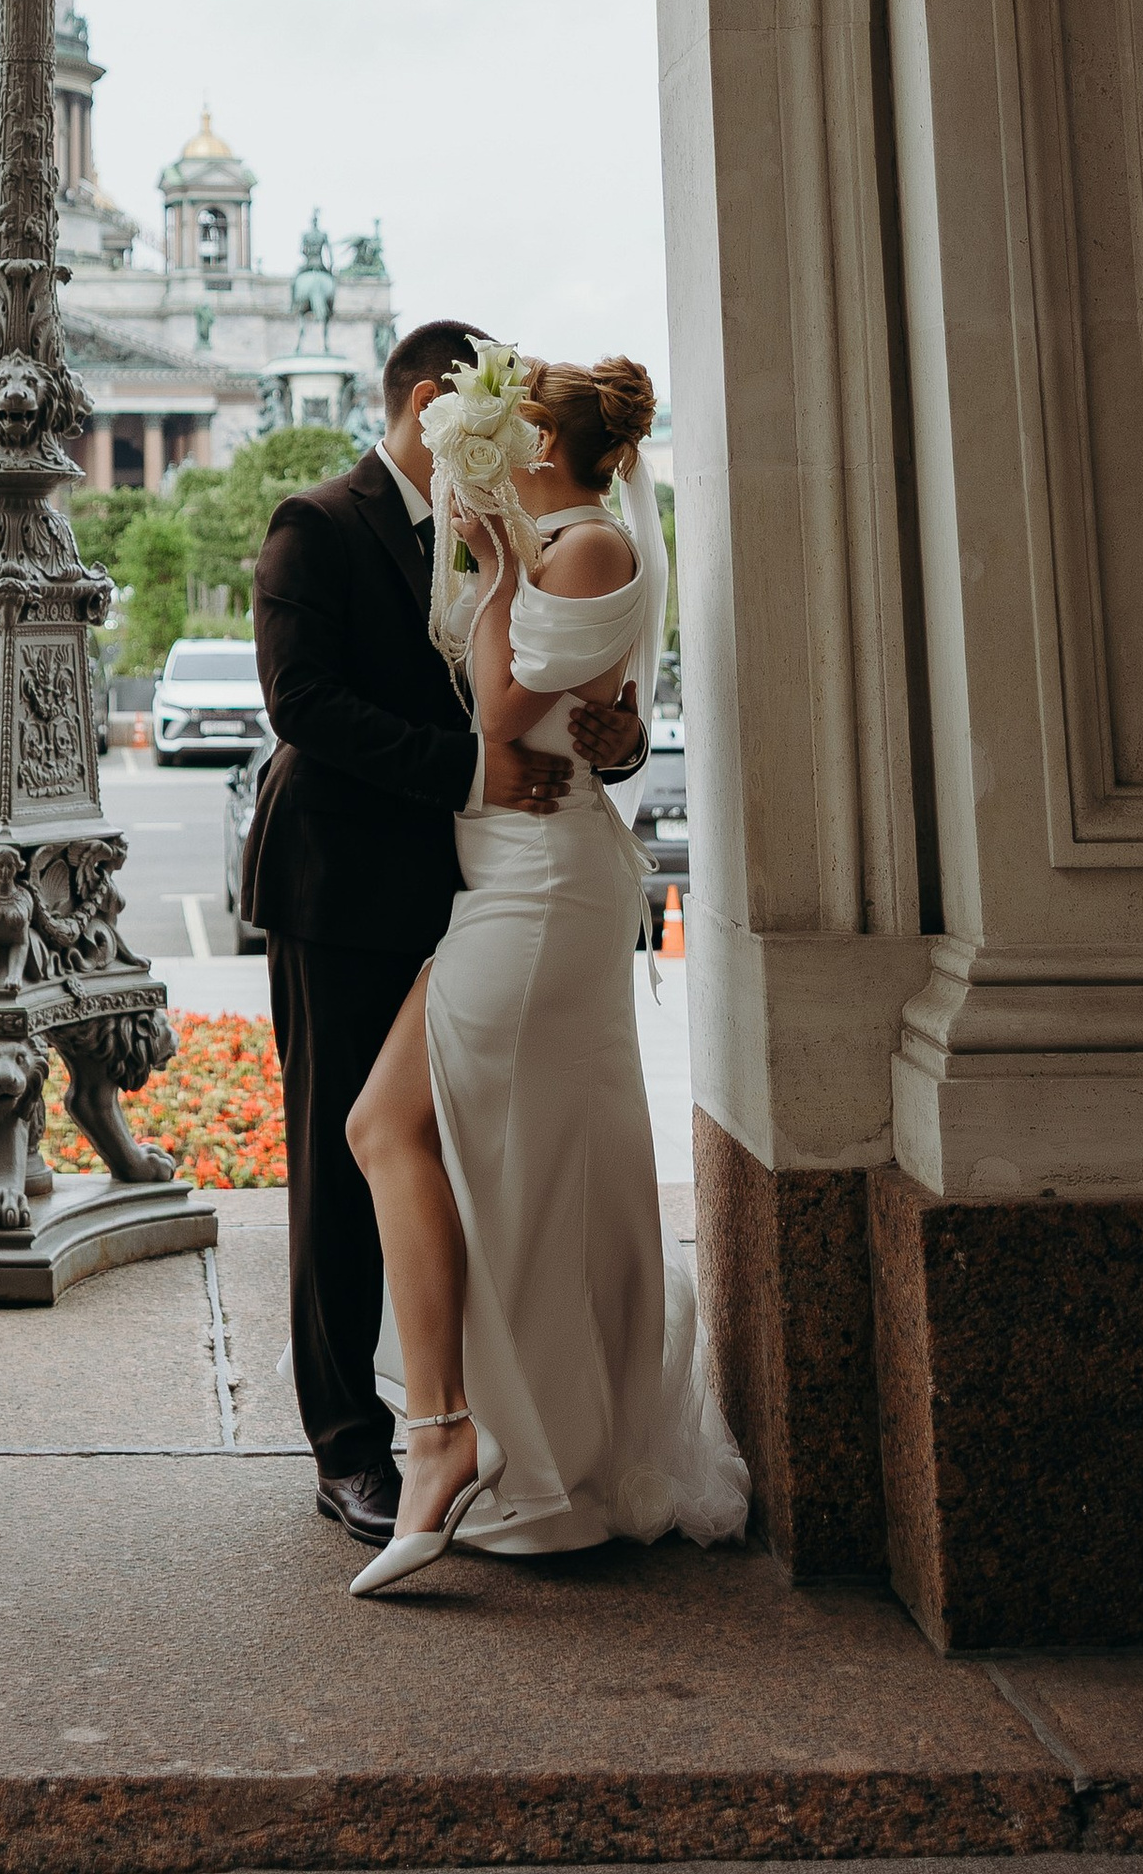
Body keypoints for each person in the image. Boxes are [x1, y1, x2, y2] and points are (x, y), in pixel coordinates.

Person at [240, 321, 648, 1551]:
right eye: (488, 411)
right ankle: (349, 1446)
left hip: (481, 886)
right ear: (431, 405)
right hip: (343, 882)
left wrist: (608, 742)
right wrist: (472, 770)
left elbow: (560, 693)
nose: (508, 435)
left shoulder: (523, 536)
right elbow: (303, 706)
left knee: (446, 1149)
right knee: (342, 1156)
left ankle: (477, 1407)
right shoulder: (315, 521)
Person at [342, 351, 746, 1594]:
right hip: (505, 876)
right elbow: (581, 713)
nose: (492, 446)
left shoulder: (578, 549)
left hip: (543, 886)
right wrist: (492, 563)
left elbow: (507, 713)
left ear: (546, 444)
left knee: (405, 1127)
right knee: (453, 1142)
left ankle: (452, 1435)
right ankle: (496, 1433)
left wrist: (495, 565)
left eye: (508, 427)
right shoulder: (556, 539)